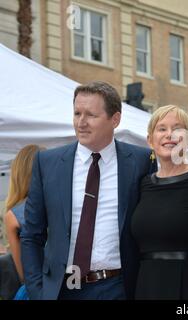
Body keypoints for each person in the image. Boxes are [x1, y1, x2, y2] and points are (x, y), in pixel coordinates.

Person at [20, 81, 156, 300]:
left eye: (91, 115)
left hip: (117, 288)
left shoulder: (141, 161)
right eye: (76, 113)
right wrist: (38, 292)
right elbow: (31, 235)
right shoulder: (47, 163)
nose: (81, 123)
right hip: (60, 290)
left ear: (115, 119)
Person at [131, 105, 188, 300]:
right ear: (150, 140)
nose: (169, 134)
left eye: (178, 129)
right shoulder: (142, 183)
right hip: (146, 285)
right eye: (162, 129)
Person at [3, 144, 45, 299]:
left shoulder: (14, 216)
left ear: (18, 174)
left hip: (38, 289)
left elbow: (24, 273)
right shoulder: (63, 204)